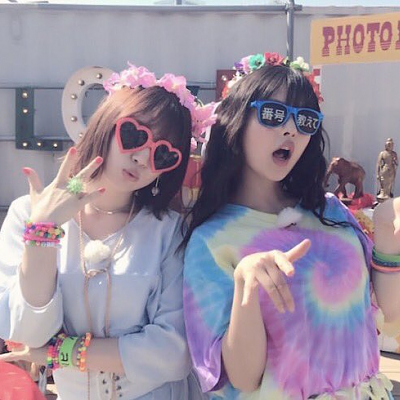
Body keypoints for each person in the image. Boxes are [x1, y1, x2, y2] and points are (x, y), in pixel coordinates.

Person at [182, 52, 400, 399]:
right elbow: (243, 378)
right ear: (237, 123)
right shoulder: (211, 240)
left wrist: (388, 236)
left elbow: (391, 314)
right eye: (273, 114)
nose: (291, 129)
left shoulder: (331, 211)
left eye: (306, 121)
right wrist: (246, 285)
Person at [0, 63, 215, 399]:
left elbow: (173, 353)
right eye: (135, 135)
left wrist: (61, 351)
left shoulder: (168, 232)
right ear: (107, 123)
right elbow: (28, 332)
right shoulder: (27, 213)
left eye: (163, 155)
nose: (142, 158)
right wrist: (43, 232)